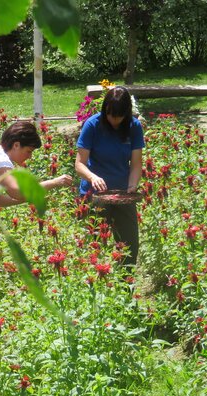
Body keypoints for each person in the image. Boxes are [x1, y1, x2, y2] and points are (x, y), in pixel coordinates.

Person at [74, 86, 144, 266]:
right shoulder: (92, 124)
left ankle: (126, 287)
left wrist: (132, 186)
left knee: (129, 246)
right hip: (94, 195)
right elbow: (79, 164)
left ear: (126, 113)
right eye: (111, 115)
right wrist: (92, 177)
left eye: (119, 116)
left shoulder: (134, 127)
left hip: (122, 194)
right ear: (105, 110)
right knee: (94, 247)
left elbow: (136, 163)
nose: (114, 120)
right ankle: (96, 287)